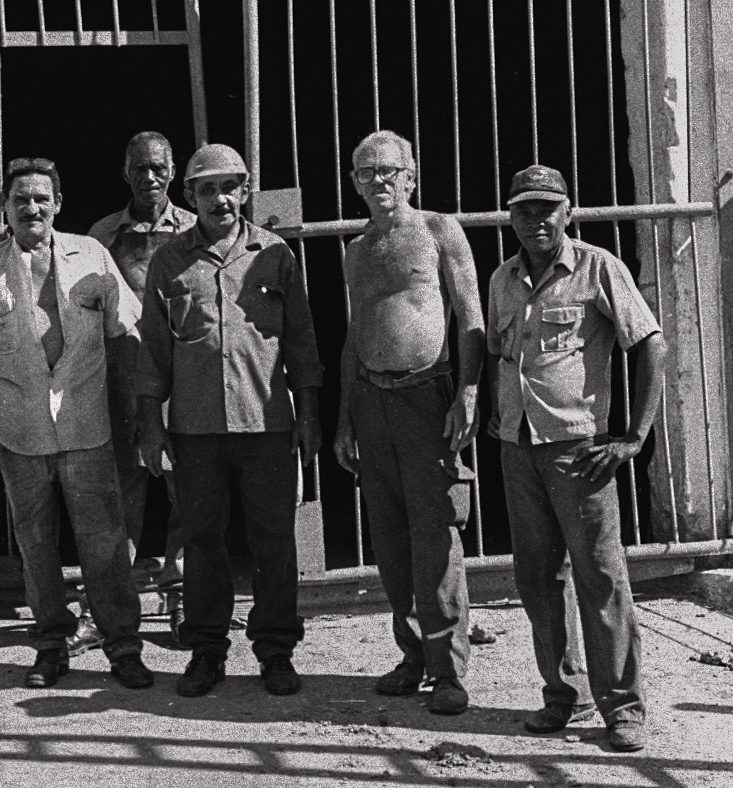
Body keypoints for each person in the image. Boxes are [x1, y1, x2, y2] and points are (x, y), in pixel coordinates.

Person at [0, 156, 154, 690]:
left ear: (58, 204)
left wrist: (136, 411)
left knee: (104, 540)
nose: (32, 208)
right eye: (20, 199)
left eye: (42, 198)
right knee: (36, 542)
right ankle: (50, 645)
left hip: (87, 426)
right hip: (19, 431)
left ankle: (123, 645)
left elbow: (126, 334)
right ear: (5, 207)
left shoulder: (92, 255)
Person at [486, 164, 665, 752]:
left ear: (569, 212)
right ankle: (564, 693)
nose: (535, 219)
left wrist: (633, 437)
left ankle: (624, 707)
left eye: (547, 208)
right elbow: (498, 353)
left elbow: (651, 345)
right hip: (518, 447)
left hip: (578, 449)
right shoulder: (503, 278)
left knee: (600, 575)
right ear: (511, 216)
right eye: (523, 209)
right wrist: (496, 414)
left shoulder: (597, 268)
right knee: (537, 577)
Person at [136, 143, 323, 698]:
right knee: (201, 540)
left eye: (230, 187)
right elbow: (154, 351)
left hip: (267, 422)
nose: (220, 199)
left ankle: (276, 650)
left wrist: (309, 415)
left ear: (245, 191)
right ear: (190, 196)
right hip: (195, 429)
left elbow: (301, 341)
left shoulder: (275, 254)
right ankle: (206, 649)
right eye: (207, 189)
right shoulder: (170, 261)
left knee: (274, 540)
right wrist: (151, 424)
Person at [333, 131, 484, 716]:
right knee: (391, 537)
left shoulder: (439, 230)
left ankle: (448, 669)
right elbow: (353, 339)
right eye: (366, 172)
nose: (378, 180)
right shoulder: (357, 249)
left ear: (411, 176)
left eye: (389, 170)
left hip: (427, 397)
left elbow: (470, 318)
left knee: (435, 533)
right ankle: (413, 654)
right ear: (354, 183)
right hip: (373, 402)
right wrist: (345, 417)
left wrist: (468, 391)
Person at [87, 131, 196, 649]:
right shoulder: (103, 235)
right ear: (125, 173)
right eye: (139, 168)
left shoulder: (195, 229)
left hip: (184, 377)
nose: (149, 177)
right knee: (120, 494)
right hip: (122, 379)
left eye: (158, 167)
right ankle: (111, 608)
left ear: (173, 171)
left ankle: (182, 595)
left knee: (186, 489)